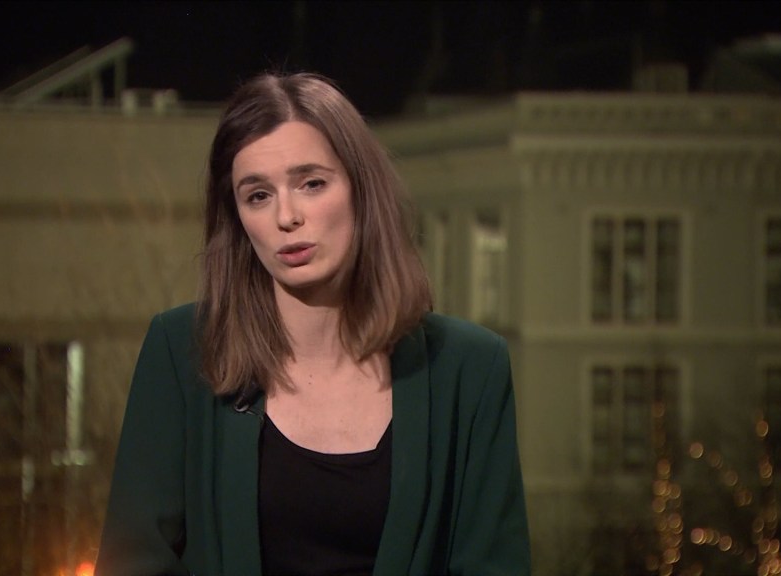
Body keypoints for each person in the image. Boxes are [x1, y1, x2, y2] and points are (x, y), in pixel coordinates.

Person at [96, 72, 530, 576]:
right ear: (237, 219)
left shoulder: (470, 368)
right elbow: (134, 562)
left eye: (312, 184)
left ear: (361, 190)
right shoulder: (182, 351)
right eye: (258, 195)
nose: (287, 216)